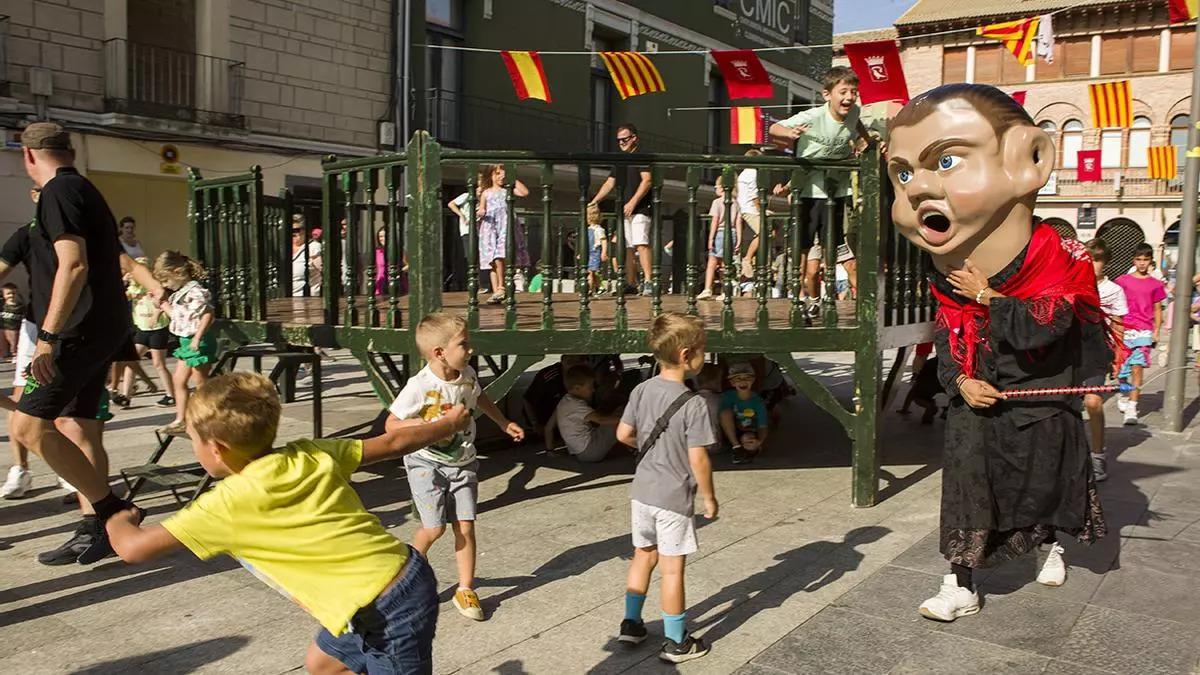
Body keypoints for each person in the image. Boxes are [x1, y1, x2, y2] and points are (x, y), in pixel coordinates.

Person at [885, 85, 1112, 621]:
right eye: (901, 173)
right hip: (976, 406)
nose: (917, 189)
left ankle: (1052, 543)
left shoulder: (1062, 258)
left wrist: (991, 298)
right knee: (966, 488)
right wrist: (959, 381)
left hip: (1039, 404)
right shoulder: (946, 276)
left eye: (945, 160)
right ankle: (959, 583)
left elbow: (1051, 326)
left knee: (1045, 483)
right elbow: (947, 335)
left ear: (1030, 159)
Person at [105, 371, 472, 674]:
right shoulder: (310, 453)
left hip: (389, 606)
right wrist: (446, 424)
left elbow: (132, 548)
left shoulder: (225, 504)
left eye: (194, 441)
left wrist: (114, 516)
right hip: (391, 581)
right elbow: (391, 444)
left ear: (216, 448)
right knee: (323, 664)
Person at [13, 122, 166, 564]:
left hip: (77, 330)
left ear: (27, 156)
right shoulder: (82, 187)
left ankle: (114, 510)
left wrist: (47, 337)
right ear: (70, 150)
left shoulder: (58, 193)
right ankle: (92, 526)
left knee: (29, 428)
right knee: (76, 427)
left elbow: (74, 266)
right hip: (100, 328)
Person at [385, 313, 524, 621]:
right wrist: (421, 423)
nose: (471, 350)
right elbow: (391, 423)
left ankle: (466, 587)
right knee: (434, 527)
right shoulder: (419, 386)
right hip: (426, 462)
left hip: (463, 462)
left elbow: (479, 395)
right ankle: (402, 580)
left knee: (466, 525)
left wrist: (503, 422)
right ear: (440, 352)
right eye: (464, 344)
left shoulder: (467, 373)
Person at [615, 312, 716, 663]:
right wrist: (709, 496)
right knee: (673, 569)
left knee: (643, 557)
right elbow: (699, 458)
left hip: (641, 492)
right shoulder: (694, 403)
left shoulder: (641, 389)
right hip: (673, 497)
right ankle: (676, 641)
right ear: (687, 355)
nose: (707, 356)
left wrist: (652, 449)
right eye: (704, 350)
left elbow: (623, 435)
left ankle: (631, 624)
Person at [768, 66, 872, 302]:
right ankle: (803, 301)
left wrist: (866, 141)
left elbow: (857, 124)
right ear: (827, 95)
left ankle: (865, 307)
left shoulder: (854, 111)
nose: (849, 97)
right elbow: (774, 127)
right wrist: (789, 133)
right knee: (804, 250)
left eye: (853, 92)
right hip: (808, 191)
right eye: (843, 92)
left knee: (839, 247)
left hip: (836, 191)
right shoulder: (814, 116)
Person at [155, 251, 215, 436]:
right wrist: (163, 306)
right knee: (178, 380)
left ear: (176, 272)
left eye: (165, 281)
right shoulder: (181, 293)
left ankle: (208, 418)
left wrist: (197, 337)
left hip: (198, 340)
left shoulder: (195, 291)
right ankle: (181, 418)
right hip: (185, 341)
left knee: (200, 381)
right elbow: (180, 318)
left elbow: (208, 313)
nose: (165, 286)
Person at [588, 123, 653, 295]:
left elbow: (647, 180)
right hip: (624, 210)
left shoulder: (641, 156)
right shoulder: (620, 160)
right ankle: (631, 283)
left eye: (625, 139)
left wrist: (633, 202)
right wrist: (594, 201)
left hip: (640, 209)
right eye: (619, 140)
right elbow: (610, 182)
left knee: (641, 243)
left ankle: (648, 281)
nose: (622, 143)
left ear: (634, 138)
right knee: (628, 246)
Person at [1082, 239, 1127, 482]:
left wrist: (1119, 357)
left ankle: (1098, 456)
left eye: (1097, 260)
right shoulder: (1071, 284)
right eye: (1089, 259)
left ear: (1105, 263)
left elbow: (1118, 324)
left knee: (1093, 402)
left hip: (1097, 352)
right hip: (1069, 354)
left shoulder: (1113, 290)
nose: (1092, 265)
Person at [1114, 243, 1165, 426]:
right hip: (1125, 329)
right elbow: (1116, 305)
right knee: (1121, 369)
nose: (1142, 263)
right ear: (1133, 260)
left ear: (1151, 260)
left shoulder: (1155, 285)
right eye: (1139, 259)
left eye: (1145, 259)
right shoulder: (1122, 281)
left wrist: (1156, 331)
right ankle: (1124, 392)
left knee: (1138, 367)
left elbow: (1158, 309)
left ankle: (1132, 407)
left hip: (1144, 330)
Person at [544, 363, 621, 463]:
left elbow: (548, 428)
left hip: (579, 453)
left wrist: (550, 450)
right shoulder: (577, 405)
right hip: (591, 451)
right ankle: (638, 446)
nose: (593, 390)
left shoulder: (563, 402)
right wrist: (630, 419)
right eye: (590, 387)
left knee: (617, 415)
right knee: (622, 415)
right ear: (577, 388)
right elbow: (601, 420)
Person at [476, 164, 531, 304]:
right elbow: (482, 208)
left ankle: (501, 287)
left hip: (505, 226)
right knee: (493, 262)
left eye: (502, 174)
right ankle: (497, 293)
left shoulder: (507, 190)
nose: (501, 176)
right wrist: (481, 212)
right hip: (490, 227)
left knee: (500, 256)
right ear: (491, 176)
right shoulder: (486, 193)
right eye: (497, 174)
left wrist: (513, 178)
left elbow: (524, 193)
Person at [125, 257, 175, 409]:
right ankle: (125, 395)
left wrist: (156, 315)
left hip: (157, 329)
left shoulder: (154, 287)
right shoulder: (133, 289)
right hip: (143, 328)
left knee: (158, 363)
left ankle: (170, 395)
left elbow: (163, 303)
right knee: (131, 360)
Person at [719, 362, 769, 465]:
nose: (743, 382)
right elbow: (723, 416)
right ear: (732, 383)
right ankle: (736, 447)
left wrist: (760, 441)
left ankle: (750, 449)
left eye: (747, 378)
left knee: (749, 441)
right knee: (725, 413)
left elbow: (762, 425)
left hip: (751, 430)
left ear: (753, 380)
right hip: (733, 431)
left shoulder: (758, 401)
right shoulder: (728, 396)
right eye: (738, 379)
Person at [698, 182, 741, 301]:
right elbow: (738, 222)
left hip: (720, 233)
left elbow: (715, 221)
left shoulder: (717, 202)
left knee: (712, 263)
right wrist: (739, 239)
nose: (715, 189)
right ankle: (725, 289)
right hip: (732, 233)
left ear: (722, 188)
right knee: (726, 263)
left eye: (716, 187)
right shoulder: (736, 203)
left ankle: (708, 289)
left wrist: (710, 237)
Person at [695, 363, 725, 454]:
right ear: (715, 382)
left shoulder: (689, 400)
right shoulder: (720, 400)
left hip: (694, 447)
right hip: (714, 445)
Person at [291, 214, 322, 297]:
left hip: (307, 300)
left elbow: (325, 272)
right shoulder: (284, 248)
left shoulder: (314, 248)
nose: (293, 233)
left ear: (304, 230)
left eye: (296, 230)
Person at [585, 204, 609, 295]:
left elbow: (603, 241)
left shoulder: (599, 229)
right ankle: (600, 286)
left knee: (591, 271)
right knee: (592, 272)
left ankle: (589, 289)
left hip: (595, 252)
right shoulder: (588, 229)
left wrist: (603, 252)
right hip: (588, 252)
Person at [0, 283, 24, 359]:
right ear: (3, 295)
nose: (11, 295)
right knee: (2, 342)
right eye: (8, 294)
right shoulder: (2, 305)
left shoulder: (20, 306)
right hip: (2, 328)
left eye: (13, 293)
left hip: (14, 329)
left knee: (14, 343)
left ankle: (15, 354)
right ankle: (3, 353)